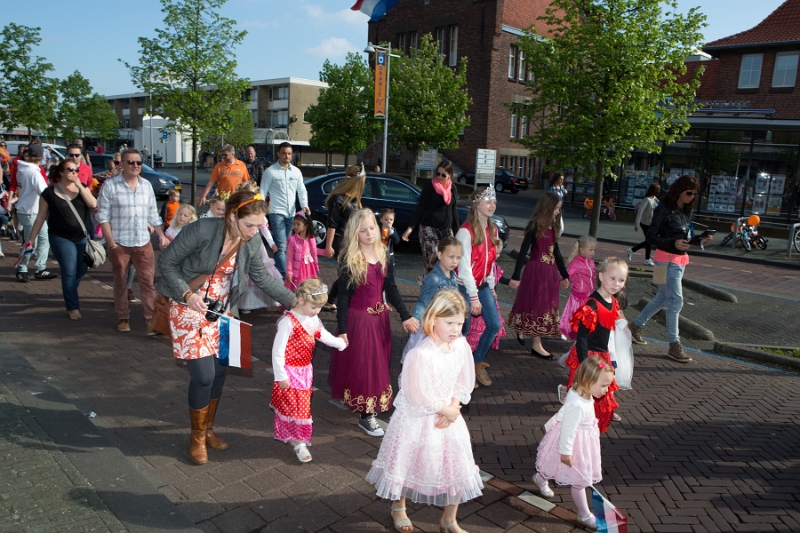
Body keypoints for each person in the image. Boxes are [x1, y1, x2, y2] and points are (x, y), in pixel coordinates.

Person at [157, 190, 297, 464]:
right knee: (204, 376)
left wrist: (296, 302)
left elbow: (262, 278)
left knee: (220, 372)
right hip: (188, 306)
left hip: (222, 312)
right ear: (233, 216)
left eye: (259, 225)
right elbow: (167, 263)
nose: (255, 231)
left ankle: (208, 430)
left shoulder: (251, 239)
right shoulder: (201, 230)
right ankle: (196, 438)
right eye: (250, 225)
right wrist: (187, 295)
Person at [366, 290, 483, 533]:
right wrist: (445, 410)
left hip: (449, 415)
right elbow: (416, 394)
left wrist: (453, 405)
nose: (455, 329)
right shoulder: (421, 354)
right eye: (449, 323)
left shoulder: (460, 346)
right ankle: (399, 506)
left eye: (460, 323)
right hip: (417, 418)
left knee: (457, 465)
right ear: (433, 320)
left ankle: (449, 519)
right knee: (406, 462)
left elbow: (463, 379)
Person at [329, 208, 419, 437]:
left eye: (372, 228)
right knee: (366, 366)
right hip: (360, 321)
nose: (369, 233)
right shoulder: (352, 259)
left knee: (377, 364)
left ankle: (364, 408)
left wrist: (405, 314)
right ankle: (366, 416)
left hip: (379, 320)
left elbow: (391, 288)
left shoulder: (383, 254)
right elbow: (343, 297)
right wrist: (343, 329)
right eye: (363, 230)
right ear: (354, 233)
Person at [628, 175, 712, 363]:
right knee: (676, 301)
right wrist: (672, 242)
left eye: (694, 194)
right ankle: (674, 345)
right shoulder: (663, 209)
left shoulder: (685, 210)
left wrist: (699, 240)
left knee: (662, 297)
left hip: (679, 261)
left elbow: (684, 237)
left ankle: (635, 326)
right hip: (665, 262)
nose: (691, 197)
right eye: (689, 193)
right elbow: (651, 236)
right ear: (679, 191)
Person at [533, 357, 615, 531]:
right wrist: (565, 452)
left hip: (582, 441)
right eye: (603, 385)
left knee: (553, 466)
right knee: (580, 481)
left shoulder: (583, 393)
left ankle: (540, 478)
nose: (606, 390)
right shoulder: (578, 404)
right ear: (587, 381)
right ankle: (584, 514)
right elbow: (568, 430)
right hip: (573, 443)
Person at [271, 279, 347, 463]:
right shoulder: (287, 322)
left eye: (320, 307)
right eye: (315, 307)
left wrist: (339, 343)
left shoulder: (312, 319)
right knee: (295, 407)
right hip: (290, 372)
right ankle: (298, 442)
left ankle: (297, 439)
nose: (318, 311)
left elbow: (322, 334)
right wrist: (281, 375)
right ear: (301, 300)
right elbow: (277, 351)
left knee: (301, 407)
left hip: (305, 371)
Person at [97, 148, 170, 333]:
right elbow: (103, 217)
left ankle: (151, 322)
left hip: (143, 243)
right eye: (131, 162)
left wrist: (161, 235)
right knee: (121, 282)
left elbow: (153, 214)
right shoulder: (111, 185)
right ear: (121, 164)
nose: (135, 166)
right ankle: (123, 317)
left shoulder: (146, 185)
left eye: (138, 162)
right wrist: (111, 243)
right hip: (120, 243)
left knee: (148, 283)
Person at [25, 160, 97, 320]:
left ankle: (70, 289)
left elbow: (93, 204)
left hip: (82, 237)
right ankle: (73, 307)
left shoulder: (82, 188)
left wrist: (80, 186)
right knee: (69, 271)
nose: (74, 172)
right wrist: (32, 239)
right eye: (70, 169)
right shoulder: (49, 193)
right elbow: (41, 216)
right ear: (61, 172)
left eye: (76, 170)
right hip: (61, 237)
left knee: (82, 269)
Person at [564, 257, 627, 433]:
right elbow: (582, 337)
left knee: (601, 400)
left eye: (621, 280)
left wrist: (611, 357)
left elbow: (609, 334)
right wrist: (585, 364)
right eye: (612, 278)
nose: (616, 284)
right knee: (581, 400)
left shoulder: (613, 302)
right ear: (601, 276)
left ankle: (589, 435)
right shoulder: (592, 304)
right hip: (588, 357)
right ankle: (575, 434)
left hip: (602, 355)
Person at [508, 192, 570, 359]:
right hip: (536, 271)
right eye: (556, 208)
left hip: (549, 272)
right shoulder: (535, 227)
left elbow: (556, 252)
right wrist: (516, 275)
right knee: (537, 304)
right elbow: (522, 252)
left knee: (541, 304)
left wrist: (565, 274)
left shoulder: (553, 227)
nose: (558, 212)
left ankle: (524, 330)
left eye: (559, 209)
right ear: (548, 207)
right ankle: (536, 344)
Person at [456, 187, 502, 387]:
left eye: (494, 201)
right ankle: (460, 372)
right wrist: (473, 297)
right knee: (463, 330)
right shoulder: (465, 232)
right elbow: (464, 266)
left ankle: (476, 362)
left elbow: (490, 262)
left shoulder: (493, 229)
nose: (492, 205)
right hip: (465, 288)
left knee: (494, 325)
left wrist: (491, 286)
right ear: (477, 204)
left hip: (482, 285)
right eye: (488, 201)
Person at [401, 236, 463, 361]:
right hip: (434, 329)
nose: (455, 261)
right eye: (451, 257)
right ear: (439, 255)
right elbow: (423, 302)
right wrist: (416, 319)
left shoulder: (453, 276)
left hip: (449, 326)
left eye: (458, 257)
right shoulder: (432, 279)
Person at [260, 142, 310, 278]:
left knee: (288, 246)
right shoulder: (270, 172)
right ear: (278, 154)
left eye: (289, 153)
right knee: (281, 247)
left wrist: (305, 205)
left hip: (291, 214)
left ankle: (279, 274)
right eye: (284, 153)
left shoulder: (296, 172)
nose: (287, 156)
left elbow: (301, 190)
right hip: (277, 213)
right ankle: (284, 277)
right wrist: (260, 210)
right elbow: (262, 191)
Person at [402, 160, 460, 273]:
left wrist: (458, 231)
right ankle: (431, 288)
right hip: (429, 230)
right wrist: (410, 228)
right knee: (433, 265)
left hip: (446, 231)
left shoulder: (453, 189)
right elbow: (420, 208)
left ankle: (441, 288)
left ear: (450, 176)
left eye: (443, 175)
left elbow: (454, 211)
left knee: (447, 263)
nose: (439, 177)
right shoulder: (429, 187)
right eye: (437, 173)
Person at [323, 164, 367, 311]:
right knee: (347, 274)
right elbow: (332, 224)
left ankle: (331, 300)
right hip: (340, 240)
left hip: (353, 240)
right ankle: (345, 306)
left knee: (348, 274)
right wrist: (328, 246)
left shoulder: (355, 199)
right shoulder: (337, 199)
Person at [236, 181, 282, 314]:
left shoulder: (258, 212)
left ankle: (254, 302)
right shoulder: (240, 211)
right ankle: (243, 303)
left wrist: (271, 242)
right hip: (242, 243)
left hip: (256, 244)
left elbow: (264, 228)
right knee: (243, 270)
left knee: (259, 271)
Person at [15, 144, 57, 282]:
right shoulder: (34, 173)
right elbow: (45, 192)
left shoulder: (22, 169)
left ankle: (40, 268)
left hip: (30, 210)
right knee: (31, 241)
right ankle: (22, 268)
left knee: (43, 239)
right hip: (30, 211)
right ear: (41, 156)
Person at [560, 236, 597, 340]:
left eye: (594, 250)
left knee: (587, 317)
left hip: (589, 296)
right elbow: (567, 274)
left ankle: (584, 334)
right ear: (582, 250)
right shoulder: (576, 263)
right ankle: (566, 330)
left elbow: (593, 277)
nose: (593, 252)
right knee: (573, 315)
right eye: (590, 250)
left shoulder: (591, 262)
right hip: (578, 296)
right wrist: (562, 281)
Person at [627, 183, 661, 266]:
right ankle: (645, 258)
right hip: (645, 223)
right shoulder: (647, 199)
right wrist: (637, 224)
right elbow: (640, 211)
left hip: (652, 223)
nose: (659, 191)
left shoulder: (655, 199)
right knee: (649, 240)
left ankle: (637, 253)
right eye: (658, 190)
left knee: (649, 241)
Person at [285, 212, 318, 291]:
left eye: (298, 224)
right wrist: (289, 272)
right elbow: (289, 258)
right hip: (299, 270)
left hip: (309, 268)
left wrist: (325, 252)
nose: (295, 226)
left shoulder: (311, 239)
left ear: (305, 225)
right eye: (294, 224)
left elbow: (315, 251)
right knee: (299, 289)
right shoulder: (292, 240)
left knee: (308, 289)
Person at [379, 208, 400, 273]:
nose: (389, 221)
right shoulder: (376, 229)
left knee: (389, 272)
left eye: (391, 220)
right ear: (381, 220)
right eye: (386, 219)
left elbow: (396, 241)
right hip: (378, 254)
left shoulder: (393, 231)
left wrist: (391, 231)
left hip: (388, 256)